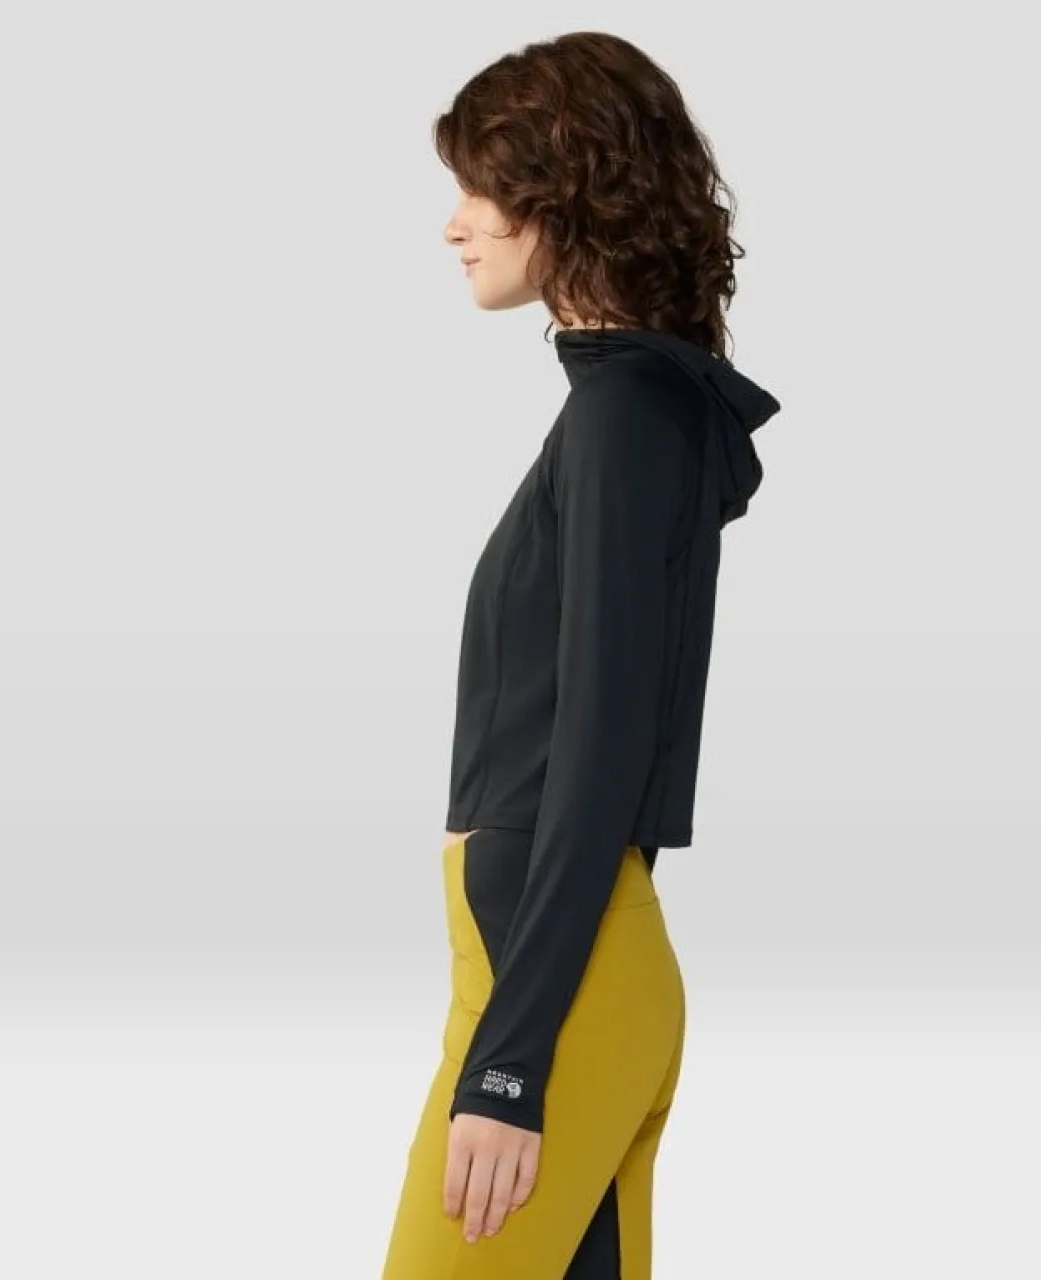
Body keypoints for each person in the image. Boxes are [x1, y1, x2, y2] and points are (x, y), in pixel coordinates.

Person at [381, 29, 780, 1279]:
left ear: (562, 193)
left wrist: (510, 1059)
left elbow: (603, 743)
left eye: (478, 186)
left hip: (551, 983)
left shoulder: (622, 418)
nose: (454, 223)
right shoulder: (636, 410)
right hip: (571, 967)